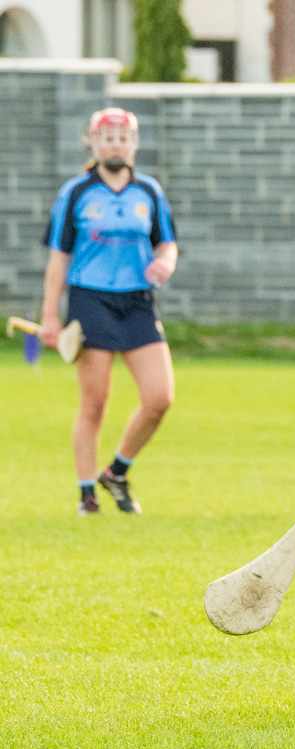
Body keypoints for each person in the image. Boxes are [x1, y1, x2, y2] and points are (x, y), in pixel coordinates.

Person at [41, 107, 178, 515]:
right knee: (95, 403)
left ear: (133, 143)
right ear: (94, 143)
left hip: (137, 303)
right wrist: (50, 315)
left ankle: (116, 471)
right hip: (91, 301)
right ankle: (87, 493)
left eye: (123, 137)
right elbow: (58, 258)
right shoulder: (77, 193)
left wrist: (166, 263)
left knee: (160, 398)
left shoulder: (149, 192)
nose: (115, 144)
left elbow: (166, 243)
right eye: (107, 137)